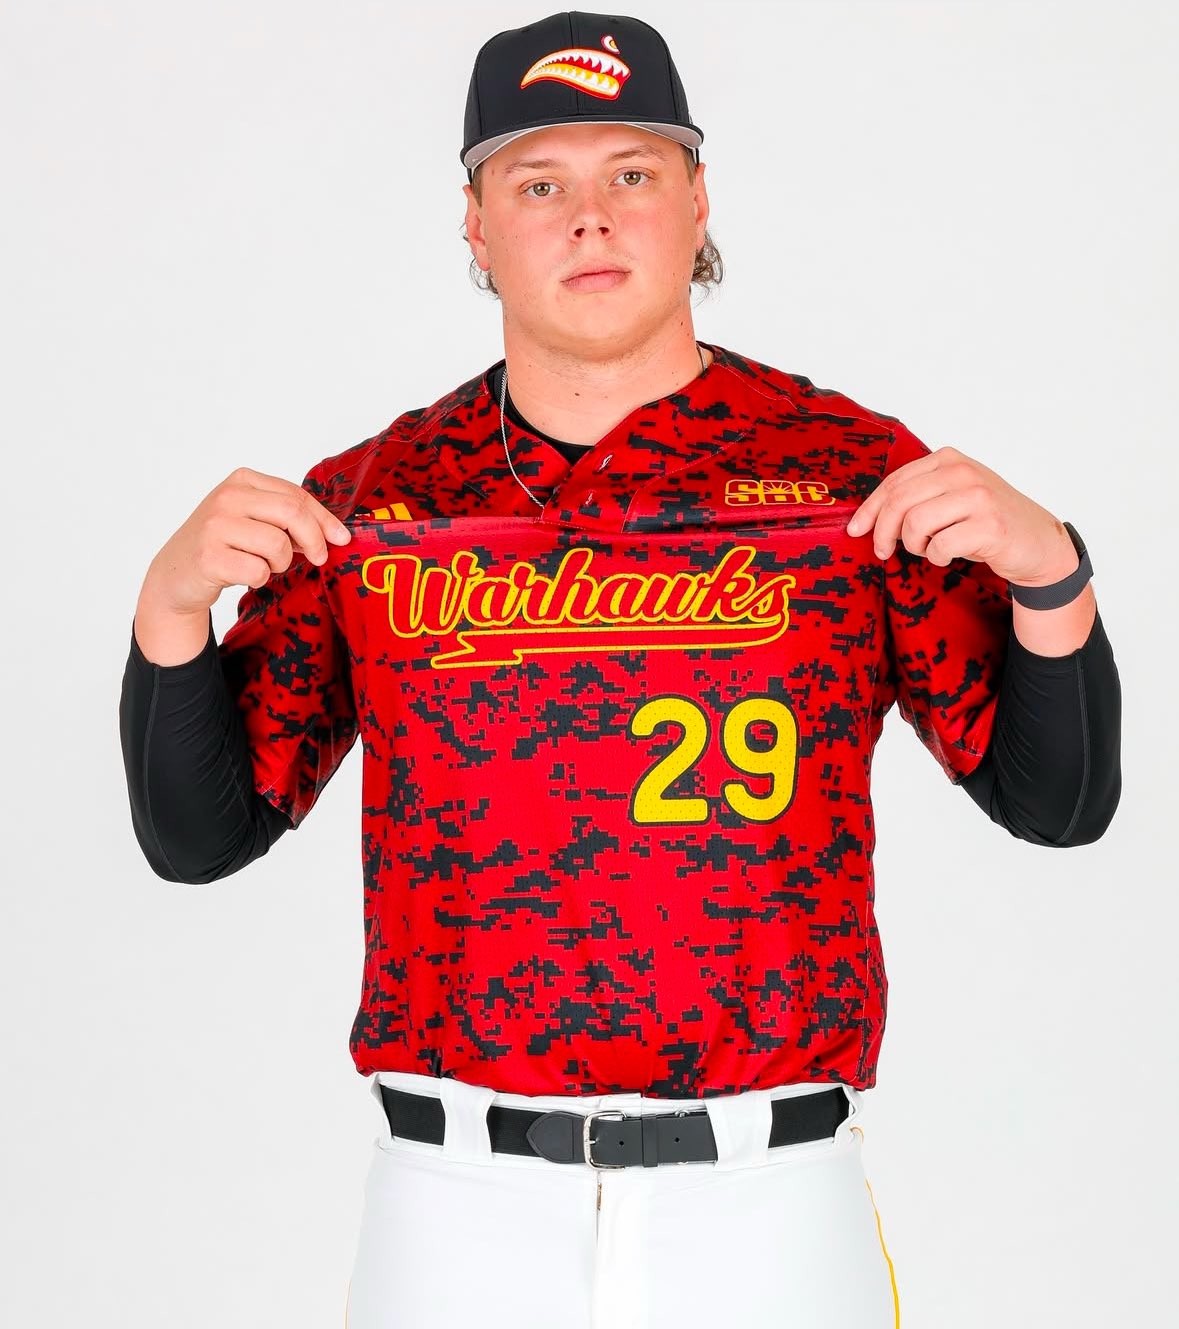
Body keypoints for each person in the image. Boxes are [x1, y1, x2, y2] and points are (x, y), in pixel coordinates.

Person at [119, 10, 1121, 1327]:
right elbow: (200, 837)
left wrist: (1051, 573)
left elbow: (1058, 801)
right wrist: (169, 608)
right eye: (539, 183)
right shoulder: (379, 502)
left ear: (698, 199)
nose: (590, 217)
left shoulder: (847, 475)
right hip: (454, 1200)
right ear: (476, 224)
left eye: (632, 172)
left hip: (768, 1195)